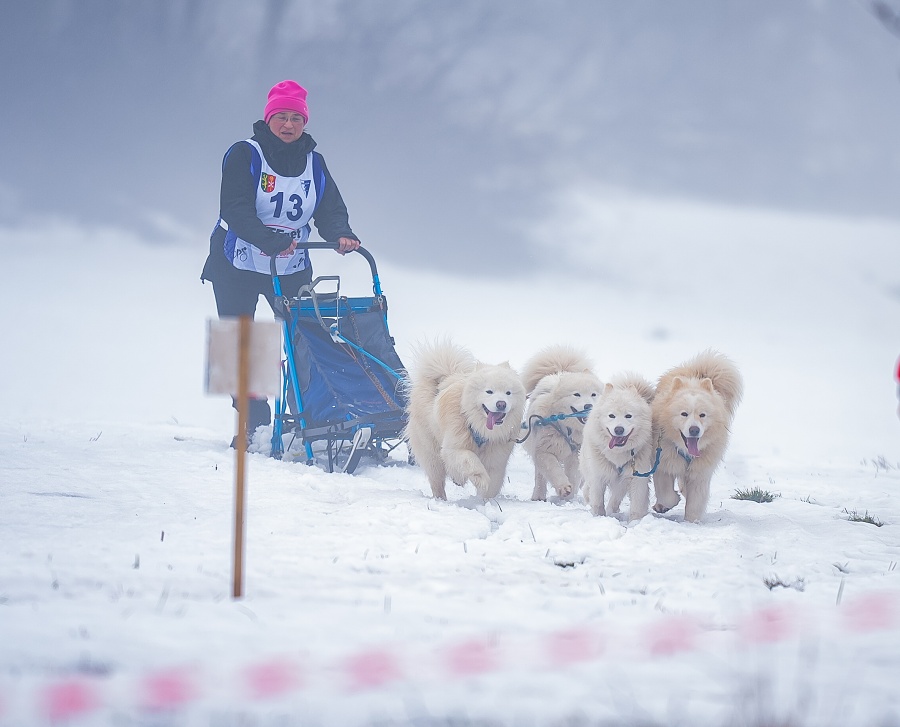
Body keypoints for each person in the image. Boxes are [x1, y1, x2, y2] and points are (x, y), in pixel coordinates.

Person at [201, 80, 361, 445]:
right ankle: (253, 424)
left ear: (304, 123)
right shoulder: (244, 153)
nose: (288, 125)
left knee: (303, 337)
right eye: (281, 117)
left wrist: (341, 232)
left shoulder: (314, 162)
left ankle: (312, 418)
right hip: (236, 262)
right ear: (268, 118)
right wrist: (269, 240)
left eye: (296, 118)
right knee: (241, 342)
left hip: (290, 265)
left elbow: (329, 208)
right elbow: (235, 208)